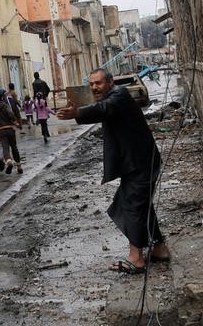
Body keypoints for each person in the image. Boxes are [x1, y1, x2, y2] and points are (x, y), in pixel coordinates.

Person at [57, 68, 170, 274]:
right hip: (135, 163)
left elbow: (104, 109)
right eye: (91, 84)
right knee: (139, 205)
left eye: (98, 83)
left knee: (133, 206)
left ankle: (136, 258)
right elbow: (100, 108)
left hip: (141, 162)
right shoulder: (111, 98)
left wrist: (78, 113)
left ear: (109, 82)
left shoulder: (119, 95)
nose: (94, 87)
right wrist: (79, 111)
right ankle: (159, 248)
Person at [0, 91, 22, 175]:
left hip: (0, 130)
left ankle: (8, 161)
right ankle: (19, 166)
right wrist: (15, 122)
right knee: (14, 147)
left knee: (5, 148)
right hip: (9, 129)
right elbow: (11, 114)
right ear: (1, 98)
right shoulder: (5, 105)